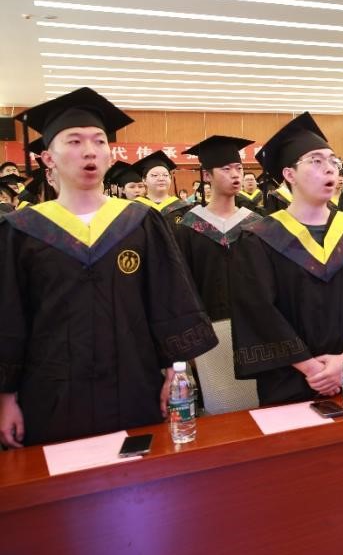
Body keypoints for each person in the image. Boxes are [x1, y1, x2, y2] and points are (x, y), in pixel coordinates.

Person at [0, 87, 216, 447]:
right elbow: (8, 319)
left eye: (99, 141)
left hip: (135, 382)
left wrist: (173, 373)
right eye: (74, 141)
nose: (90, 150)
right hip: (51, 392)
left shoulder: (140, 222)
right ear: (47, 158)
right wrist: (6, 399)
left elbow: (168, 301)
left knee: (141, 473)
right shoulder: (22, 230)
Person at [230, 113, 343, 405]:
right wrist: (311, 368)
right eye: (316, 161)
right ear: (289, 174)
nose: (330, 169)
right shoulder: (259, 238)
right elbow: (259, 312)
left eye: (333, 161)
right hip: (287, 379)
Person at [176, 135, 261, 325]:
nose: (235, 174)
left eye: (239, 168)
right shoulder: (189, 227)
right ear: (207, 176)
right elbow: (182, 286)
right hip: (206, 326)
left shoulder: (255, 224)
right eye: (226, 169)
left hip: (253, 326)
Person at [134, 151, 192, 223]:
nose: (161, 179)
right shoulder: (135, 208)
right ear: (144, 180)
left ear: (170, 178)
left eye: (165, 175)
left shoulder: (184, 207)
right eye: (155, 175)